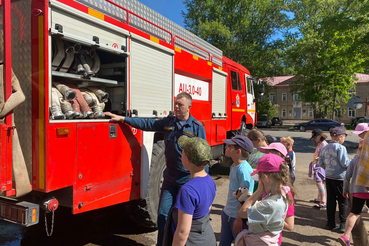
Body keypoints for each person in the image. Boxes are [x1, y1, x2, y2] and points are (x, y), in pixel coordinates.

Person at [104, 92, 206, 246]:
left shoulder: (197, 128)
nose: (176, 107)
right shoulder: (169, 122)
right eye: (175, 104)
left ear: (189, 107)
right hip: (170, 179)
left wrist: (202, 185)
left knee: (183, 218)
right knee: (163, 215)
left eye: (180, 105)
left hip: (187, 180)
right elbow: (148, 124)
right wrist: (124, 119)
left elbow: (203, 158)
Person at [163, 136, 216, 246]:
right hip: (207, 238)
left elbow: (182, 233)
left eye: (182, 154)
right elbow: (208, 209)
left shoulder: (187, 190)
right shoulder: (210, 180)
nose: (181, 156)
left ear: (187, 159)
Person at [235, 153, 291, 246]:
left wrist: (258, 191)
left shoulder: (271, 204)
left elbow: (242, 213)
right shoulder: (280, 196)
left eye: (259, 178)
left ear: (265, 177)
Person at [219, 135, 255, 246]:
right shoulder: (234, 166)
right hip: (228, 213)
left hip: (237, 216)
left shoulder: (243, 170)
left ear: (238, 151)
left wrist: (239, 219)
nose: (226, 147)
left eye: (229, 146)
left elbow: (244, 197)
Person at [318, 127, 350, 232]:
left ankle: (330, 222)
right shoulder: (341, 148)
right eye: (344, 136)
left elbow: (320, 163)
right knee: (343, 201)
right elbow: (345, 163)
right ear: (340, 137)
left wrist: (328, 168)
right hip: (340, 178)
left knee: (331, 200)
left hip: (329, 176)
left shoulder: (324, 148)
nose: (344, 139)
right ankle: (343, 223)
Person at [338, 139, 368, 246]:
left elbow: (347, 177)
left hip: (357, 190)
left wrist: (345, 189)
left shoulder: (354, 161)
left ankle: (346, 235)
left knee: (354, 213)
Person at [308, 128, 328, 210]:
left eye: (315, 137)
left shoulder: (324, 145)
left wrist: (318, 159)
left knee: (319, 183)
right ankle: (319, 198)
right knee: (319, 183)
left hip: (320, 166)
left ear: (320, 136)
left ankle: (323, 202)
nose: (315, 139)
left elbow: (325, 156)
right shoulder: (321, 143)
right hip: (318, 165)